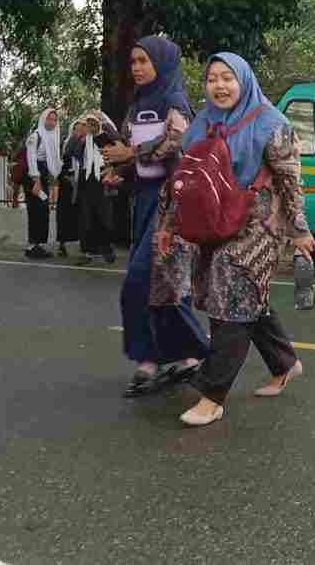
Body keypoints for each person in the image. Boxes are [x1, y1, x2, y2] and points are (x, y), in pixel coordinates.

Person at [156, 52, 315, 427]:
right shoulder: (201, 126)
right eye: (212, 79)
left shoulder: (272, 124)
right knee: (241, 297)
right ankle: (285, 363)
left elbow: (291, 181)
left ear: (244, 80)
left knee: (230, 291)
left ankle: (212, 395)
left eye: (228, 77)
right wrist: (167, 224)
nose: (220, 86)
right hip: (212, 222)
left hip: (260, 222)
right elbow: (183, 181)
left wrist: (299, 229)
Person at [101, 36, 210, 397]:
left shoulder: (174, 100)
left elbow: (178, 141)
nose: (136, 67)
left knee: (141, 279)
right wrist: (119, 172)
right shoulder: (136, 106)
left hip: (172, 204)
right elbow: (133, 157)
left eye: (144, 61)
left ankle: (159, 357)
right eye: (133, 61)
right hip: (145, 201)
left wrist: (131, 154)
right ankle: (186, 357)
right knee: (163, 283)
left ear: (161, 63)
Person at [72, 111, 119, 266]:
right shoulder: (83, 138)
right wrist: (79, 135)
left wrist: (99, 131)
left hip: (102, 176)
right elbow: (71, 152)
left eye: (92, 122)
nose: (89, 126)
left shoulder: (105, 135)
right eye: (88, 123)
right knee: (85, 216)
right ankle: (86, 251)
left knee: (104, 215)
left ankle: (106, 248)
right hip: (86, 178)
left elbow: (111, 149)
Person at [22, 108, 62, 260]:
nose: (51, 122)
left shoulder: (51, 137)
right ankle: (32, 246)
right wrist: (36, 180)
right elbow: (31, 158)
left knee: (42, 210)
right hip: (34, 177)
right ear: (43, 119)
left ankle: (37, 244)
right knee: (36, 210)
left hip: (42, 175)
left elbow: (52, 160)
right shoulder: (35, 136)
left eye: (54, 120)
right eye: (49, 119)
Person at [56, 120, 83, 258]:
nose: (78, 132)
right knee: (64, 215)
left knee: (79, 215)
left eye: (80, 130)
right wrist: (68, 179)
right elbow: (58, 168)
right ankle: (62, 245)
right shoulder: (66, 144)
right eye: (75, 130)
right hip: (67, 184)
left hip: (79, 183)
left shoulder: (83, 144)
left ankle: (79, 245)